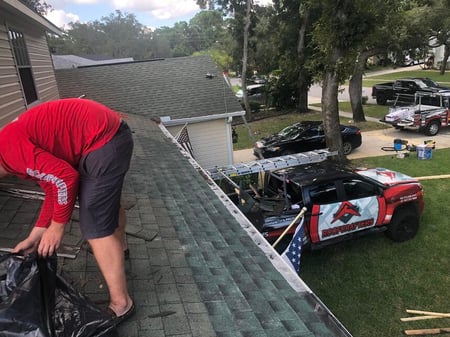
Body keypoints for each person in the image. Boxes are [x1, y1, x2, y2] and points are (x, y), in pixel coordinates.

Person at [0, 98, 134, 325]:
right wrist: (36, 235)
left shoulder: (11, 153)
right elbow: (53, 186)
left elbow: (65, 179)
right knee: (105, 204)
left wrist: (57, 227)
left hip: (105, 140)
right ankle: (120, 249)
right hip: (107, 132)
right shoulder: (7, 148)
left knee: (94, 224)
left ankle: (122, 305)